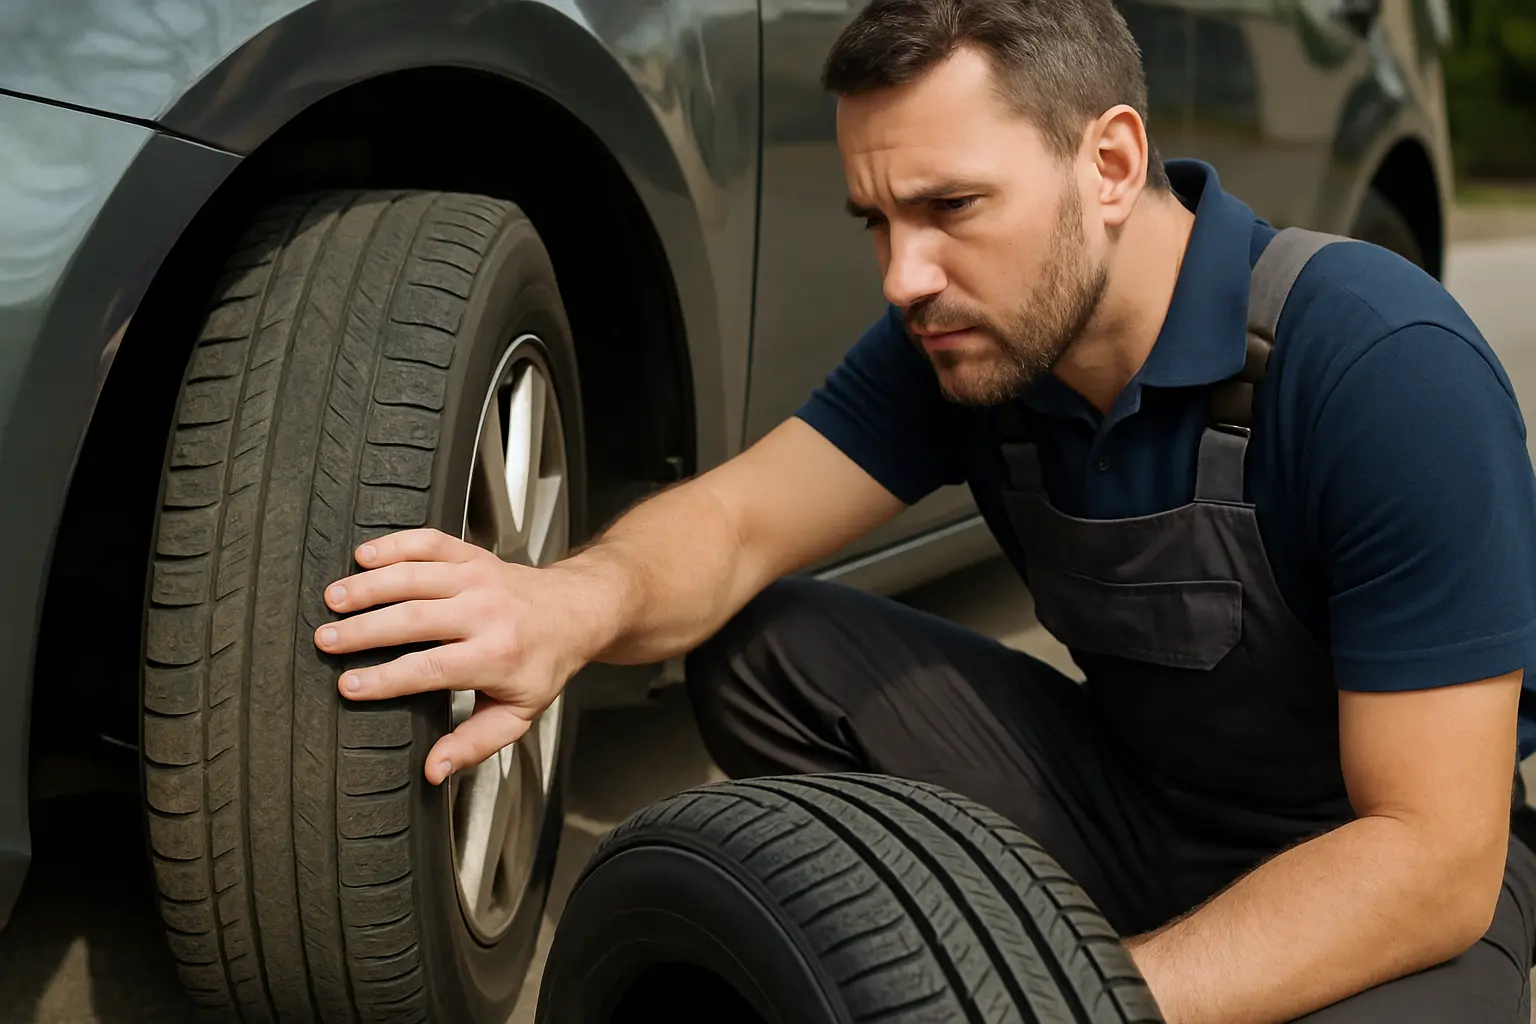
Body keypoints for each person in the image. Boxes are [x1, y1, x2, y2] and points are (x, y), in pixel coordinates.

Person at [310, 0, 1536, 1019]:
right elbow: (735, 526)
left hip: (1377, 857)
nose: (905, 276)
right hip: (1132, 802)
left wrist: (1072, 997)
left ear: (1109, 162)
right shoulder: (968, 339)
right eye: (877, 221)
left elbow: (1434, 856)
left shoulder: (1378, 364)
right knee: (758, 642)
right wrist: (560, 604)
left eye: (951, 208)